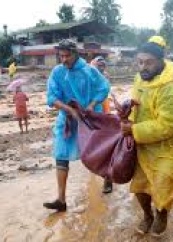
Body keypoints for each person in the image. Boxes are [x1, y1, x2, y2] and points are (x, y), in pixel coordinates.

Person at [120, 42, 173, 237]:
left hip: (167, 148)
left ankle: (161, 215)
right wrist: (127, 107)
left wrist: (133, 130)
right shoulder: (140, 80)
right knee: (140, 185)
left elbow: (167, 126)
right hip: (142, 144)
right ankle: (147, 215)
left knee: (162, 186)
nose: (143, 67)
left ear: (161, 61)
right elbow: (137, 103)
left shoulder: (171, 89)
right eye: (140, 62)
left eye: (149, 63)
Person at [44, 39, 110, 212]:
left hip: (89, 119)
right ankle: (61, 199)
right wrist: (68, 110)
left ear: (75, 54)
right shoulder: (57, 72)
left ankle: (108, 177)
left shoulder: (90, 71)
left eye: (67, 56)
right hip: (67, 120)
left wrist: (90, 105)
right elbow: (51, 97)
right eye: (61, 56)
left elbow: (103, 88)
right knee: (61, 154)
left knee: (97, 152)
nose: (63, 59)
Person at [90, 55, 113, 194]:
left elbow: (106, 94)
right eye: (99, 64)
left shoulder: (105, 78)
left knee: (105, 149)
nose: (102, 66)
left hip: (104, 115)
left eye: (103, 65)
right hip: (92, 116)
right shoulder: (88, 77)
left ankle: (108, 179)